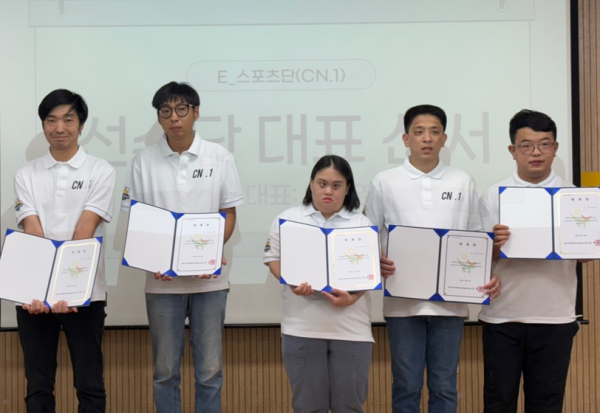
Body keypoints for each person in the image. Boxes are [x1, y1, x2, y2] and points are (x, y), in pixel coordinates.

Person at [363, 104, 500, 413]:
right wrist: (376, 260)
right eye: (419, 132)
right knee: (406, 387)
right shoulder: (384, 181)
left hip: (450, 305)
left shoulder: (462, 181)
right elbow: (368, 234)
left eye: (434, 132)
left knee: (444, 387)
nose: (427, 138)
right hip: (402, 305)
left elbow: (476, 236)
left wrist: (483, 273)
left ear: (444, 138)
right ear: (405, 139)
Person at [121, 81, 243, 413]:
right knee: (165, 373)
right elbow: (137, 220)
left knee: (209, 372)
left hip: (210, 283)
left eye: (181, 109)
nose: (173, 117)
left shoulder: (219, 157)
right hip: (162, 284)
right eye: (165, 111)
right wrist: (152, 259)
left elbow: (228, 213)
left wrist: (211, 253)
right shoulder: (143, 162)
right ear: (159, 117)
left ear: (195, 113)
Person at [14, 89, 116, 413]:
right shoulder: (26, 174)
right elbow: (33, 232)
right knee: (38, 384)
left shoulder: (100, 170)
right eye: (51, 120)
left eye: (68, 119)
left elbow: (84, 231)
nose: (60, 127)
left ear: (81, 125)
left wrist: (67, 291)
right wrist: (44, 292)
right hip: (34, 298)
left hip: (85, 294)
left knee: (90, 385)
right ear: (43, 125)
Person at [479, 109, 580, 413]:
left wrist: (587, 243)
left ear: (555, 148)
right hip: (503, 317)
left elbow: (586, 255)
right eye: (526, 145)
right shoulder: (493, 195)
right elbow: (479, 257)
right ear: (513, 150)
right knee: (498, 402)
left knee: (547, 404)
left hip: (555, 317)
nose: (536, 153)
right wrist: (493, 245)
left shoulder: (574, 196)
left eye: (544, 144)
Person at [263, 155, 374, 413]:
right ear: (311, 183)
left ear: (347, 188)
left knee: (350, 407)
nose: (328, 191)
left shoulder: (361, 223)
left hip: (351, 330)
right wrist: (291, 281)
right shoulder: (288, 218)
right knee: (307, 407)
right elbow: (272, 258)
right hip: (302, 328)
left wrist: (352, 298)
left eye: (336, 185)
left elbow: (369, 273)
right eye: (322, 184)